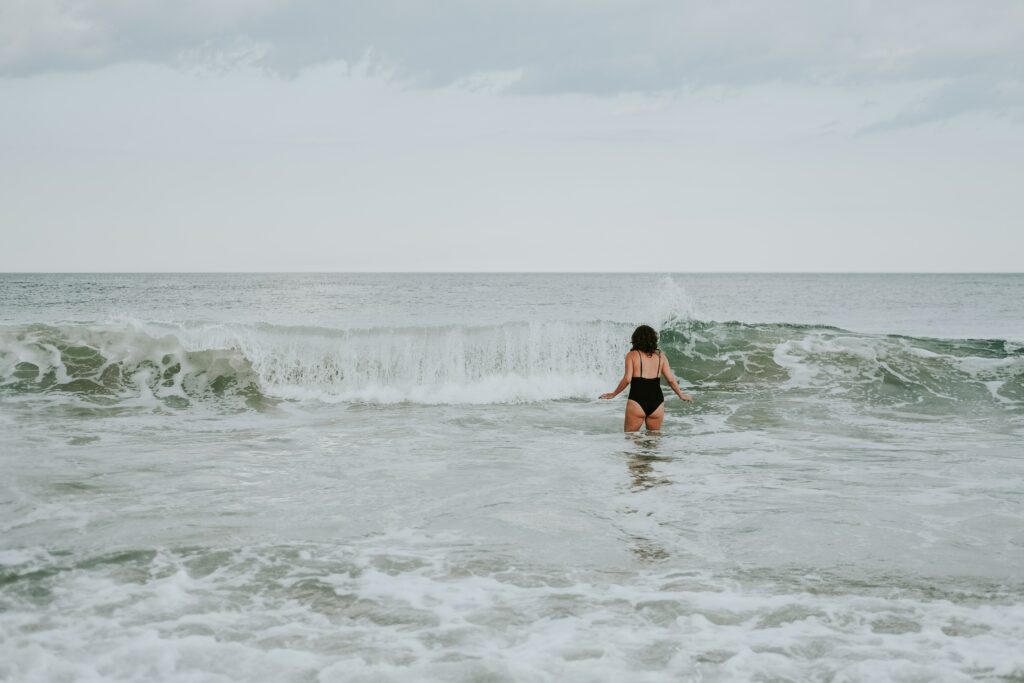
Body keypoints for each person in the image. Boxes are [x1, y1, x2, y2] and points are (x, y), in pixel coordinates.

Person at [600, 324, 692, 432]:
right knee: (653, 442)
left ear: (635, 339)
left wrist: (613, 394)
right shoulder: (661, 356)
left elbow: (627, 379)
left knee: (631, 440)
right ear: (653, 339)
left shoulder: (632, 355)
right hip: (657, 402)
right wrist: (680, 395)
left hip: (637, 401)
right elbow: (671, 380)